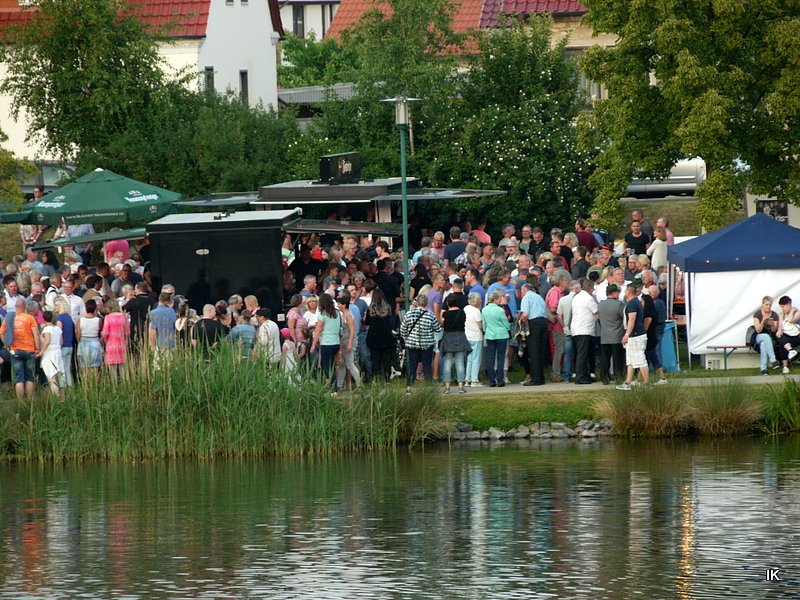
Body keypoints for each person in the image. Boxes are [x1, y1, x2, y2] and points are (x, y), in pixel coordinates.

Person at [400, 293, 442, 393]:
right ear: (426, 303)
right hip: (427, 344)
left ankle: (409, 387)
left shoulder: (409, 314)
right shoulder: (430, 315)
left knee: (412, 365)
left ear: (417, 302)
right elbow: (438, 328)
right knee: (427, 365)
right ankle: (428, 387)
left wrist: (406, 338)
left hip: (412, 344)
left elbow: (403, 330)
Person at [0, 298, 41, 398]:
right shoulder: (30, 318)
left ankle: (20, 403)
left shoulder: (9, 317)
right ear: (25, 307)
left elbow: (1, 332)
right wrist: (38, 349)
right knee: (29, 378)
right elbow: (36, 334)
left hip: (15, 350)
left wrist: (7, 345)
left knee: (19, 378)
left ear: (16, 306)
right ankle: (30, 402)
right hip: (29, 350)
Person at [617, 282, 649, 389]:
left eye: (626, 291)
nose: (624, 293)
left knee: (640, 359)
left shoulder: (632, 304)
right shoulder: (635, 302)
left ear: (629, 292)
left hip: (635, 335)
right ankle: (628, 382)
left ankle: (646, 383)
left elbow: (632, 319)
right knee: (630, 359)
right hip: (635, 335)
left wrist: (627, 334)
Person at [310, 294, 342, 390]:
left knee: (327, 367)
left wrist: (313, 344)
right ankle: (335, 385)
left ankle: (333, 388)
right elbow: (340, 329)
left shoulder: (322, 313)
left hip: (326, 342)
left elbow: (318, 329)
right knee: (332, 365)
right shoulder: (337, 312)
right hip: (336, 342)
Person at [440, 294, 470, 394]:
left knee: (448, 362)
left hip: (448, 338)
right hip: (460, 337)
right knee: (460, 362)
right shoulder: (462, 313)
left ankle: (447, 388)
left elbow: (443, 325)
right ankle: (461, 387)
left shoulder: (445, 314)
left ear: (448, 303)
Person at [482, 290, 511, 387]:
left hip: (490, 334)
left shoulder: (484, 309)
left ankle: (491, 380)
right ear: (495, 299)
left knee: (490, 357)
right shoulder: (500, 310)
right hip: (501, 334)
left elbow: (484, 323)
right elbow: (505, 322)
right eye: (499, 298)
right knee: (500, 357)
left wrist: (486, 330)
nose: (500, 300)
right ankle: (500, 379)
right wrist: (508, 327)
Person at [597, 284, 626, 385]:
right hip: (617, 335)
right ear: (614, 293)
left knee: (605, 358)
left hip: (604, 335)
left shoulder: (600, 304)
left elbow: (599, 318)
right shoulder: (619, 305)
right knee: (618, 359)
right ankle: (619, 377)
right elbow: (624, 318)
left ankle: (604, 377)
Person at [365, 288, 395, 382]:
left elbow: (367, 322)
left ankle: (375, 378)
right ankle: (387, 378)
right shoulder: (388, 308)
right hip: (386, 336)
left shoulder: (370, 309)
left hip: (373, 337)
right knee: (386, 359)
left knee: (375, 360)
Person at [335, 291, 361, 390]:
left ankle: (359, 384)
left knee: (350, 364)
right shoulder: (343, 314)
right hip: (344, 341)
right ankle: (339, 385)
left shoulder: (348, 315)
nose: (338, 305)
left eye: (339, 304)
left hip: (347, 341)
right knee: (343, 364)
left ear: (344, 304)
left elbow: (352, 329)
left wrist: (350, 342)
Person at [76, 298, 104, 379]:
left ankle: (85, 387)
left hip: (83, 342)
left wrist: (80, 341)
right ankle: (95, 386)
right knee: (96, 369)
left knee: (84, 369)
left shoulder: (80, 320)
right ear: (95, 308)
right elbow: (100, 331)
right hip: (95, 342)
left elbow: (78, 334)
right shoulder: (98, 320)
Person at [39, 310, 65, 396]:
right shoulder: (57, 328)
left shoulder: (46, 329)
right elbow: (61, 342)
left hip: (49, 353)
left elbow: (47, 341)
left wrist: (41, 352)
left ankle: (56, 397)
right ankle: (63, 396)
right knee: (60, 375)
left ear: (44, 319)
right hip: (58, 352)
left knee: (51, 377)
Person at [101, 299, 129, 378]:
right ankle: (124, 386)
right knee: (123, 369)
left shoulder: (108, 317)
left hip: (111, 344)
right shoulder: (124, 317)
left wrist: (105, 340)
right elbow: (127, 332)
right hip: (122, 345)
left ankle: (114, 387)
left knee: (113, 370)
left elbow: (105, 333)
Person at [753, 296, 780, 375]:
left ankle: (763, 369)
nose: (768, 307)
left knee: (763, 344)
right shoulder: (757, 314)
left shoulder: (774, 315)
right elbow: (758, 330)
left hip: (771, 338)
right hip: (759, 336)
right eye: (767, 305)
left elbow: (774, 330)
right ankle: (773, 360)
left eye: (770, 305)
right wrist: (763, 322)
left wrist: (772, 325)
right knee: (764, 336)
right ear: (763, 304)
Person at [464, 292, 484, 387]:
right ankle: (474, 380)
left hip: (467, 336)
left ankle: (467, 379)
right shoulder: (476, 311)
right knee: (476, 359)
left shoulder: (465, 309)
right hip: (476, 336)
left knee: (469, 359)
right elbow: (480, 325)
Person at [54, 298, 75, 387]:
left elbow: (59, 333)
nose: (54, 307)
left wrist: (58, 345)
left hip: (62, 346)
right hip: (70, 346)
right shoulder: (69, 318)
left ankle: (63, 388)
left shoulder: (59, 318)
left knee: (61, 369)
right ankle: (71, 387)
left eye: (56, 305)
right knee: (67, 369)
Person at [777, 295, 800, 373]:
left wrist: (792, 310)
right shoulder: (781, 314)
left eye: (783, 307)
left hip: (796, 336)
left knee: (782, 343)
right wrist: (779, 330)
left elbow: (790, 320)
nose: (782, 309)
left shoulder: (797, 312)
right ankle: (790, 351)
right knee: (779, 336)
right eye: (781, 307)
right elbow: (780, 325)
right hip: (786, 336)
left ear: (789, 305)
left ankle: (785, 366)